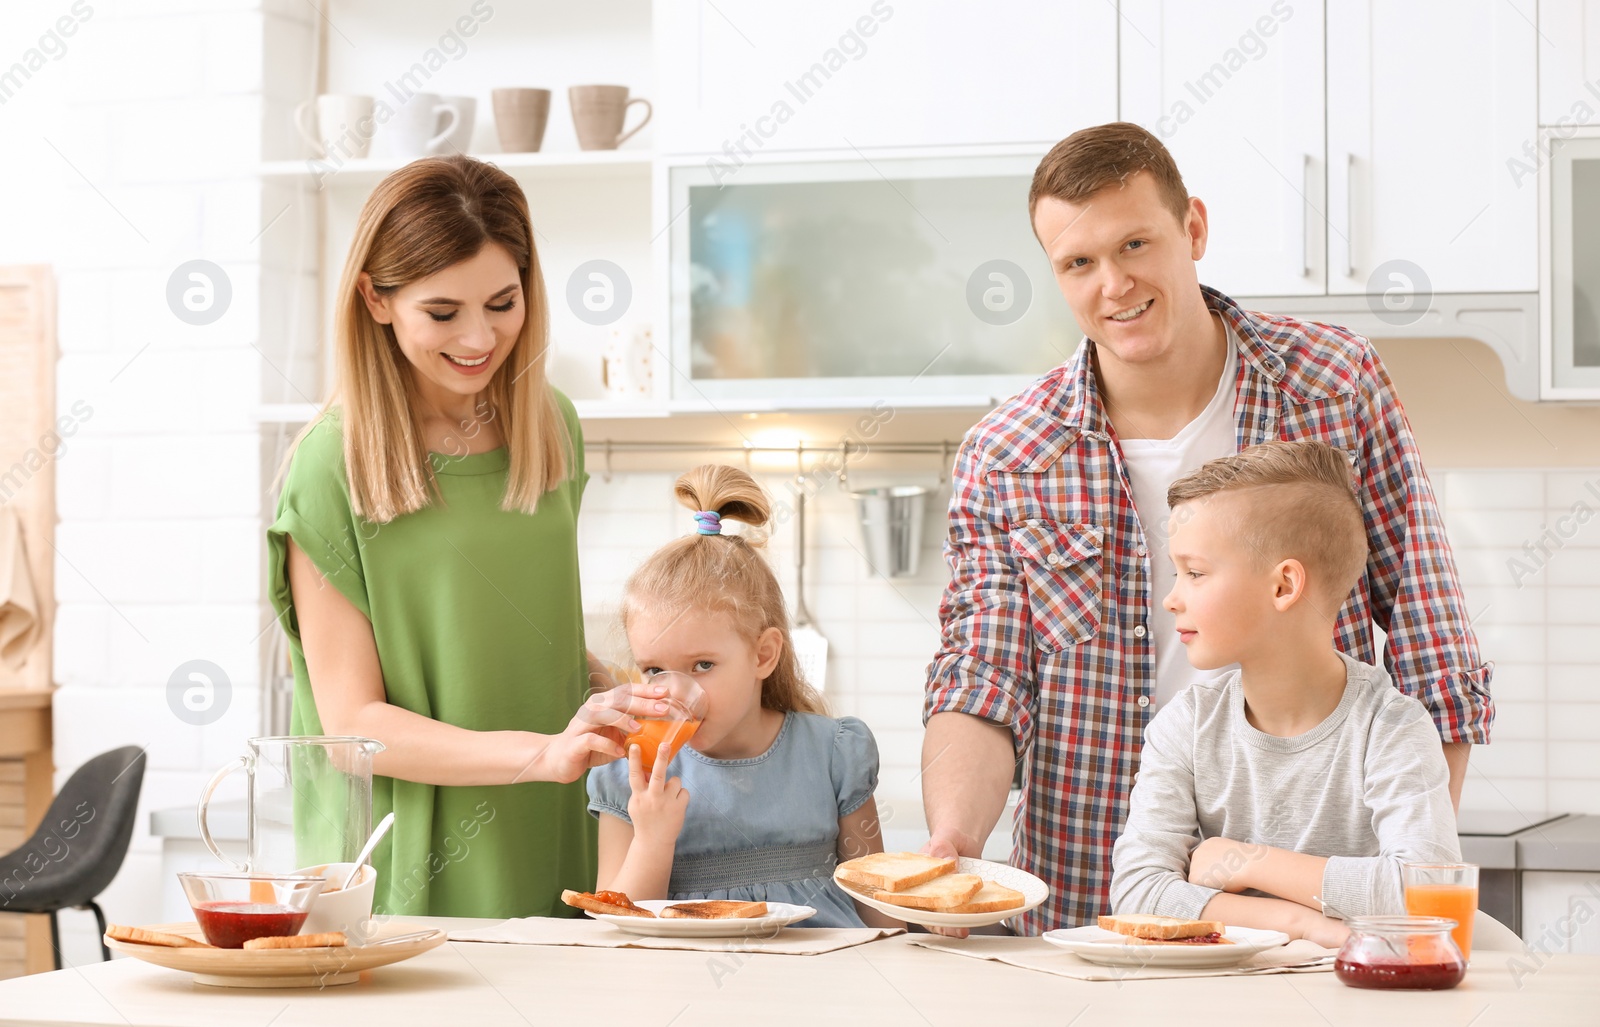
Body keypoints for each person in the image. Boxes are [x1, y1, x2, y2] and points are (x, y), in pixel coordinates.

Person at [921, 122, 1492, 935]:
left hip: (1320, 894)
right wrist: (957, 843)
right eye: (1078, 262)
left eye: (1135, 244)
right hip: (1098, 897)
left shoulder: (1332, 384)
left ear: (1192, 228)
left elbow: (1432, 635)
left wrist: (1410, 877)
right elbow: (983, 676)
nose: (1113, 284)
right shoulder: (1010, 452)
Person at [268, 154, 663, 919]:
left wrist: (621, 690)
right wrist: (543, 753)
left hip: (551, 825)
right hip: (406, 848)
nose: (481, 337)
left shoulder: (551, 429)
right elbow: (353, 722)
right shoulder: (332, 465)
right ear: (376, 301)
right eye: (443, 313)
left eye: (503, 302)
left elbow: (511, 637)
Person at [1109, 440, 1461, 947]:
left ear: (1283, 586)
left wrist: (1250, 861)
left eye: (1195, 573)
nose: (1171, 598)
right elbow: (1138, 893)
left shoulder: (1392, 728)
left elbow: (1428, 891)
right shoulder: (1184, 726)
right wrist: (1300, 923)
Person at [586, 465, 897, 928]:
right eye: (654, 670)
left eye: (703, 666)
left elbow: (878, 908)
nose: (676, 691)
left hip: (826, 986)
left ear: (763, 655)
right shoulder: (631, 770)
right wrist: (653, 839)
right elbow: (616, 924)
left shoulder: (833, 754)